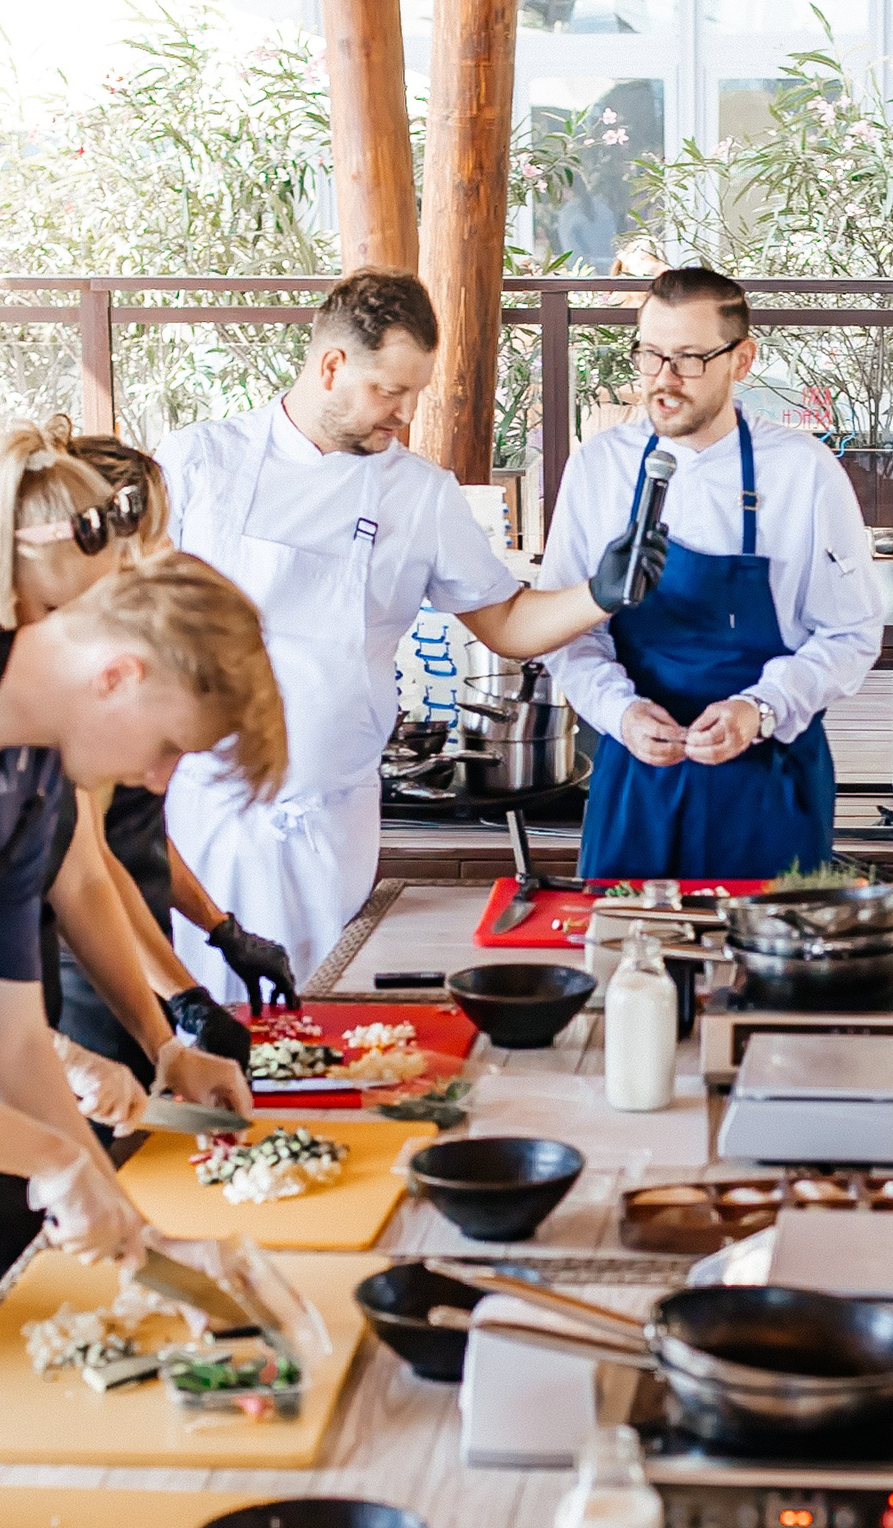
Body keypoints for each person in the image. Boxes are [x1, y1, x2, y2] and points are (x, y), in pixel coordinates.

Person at [158, 266, 648, 997]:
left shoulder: (420, 494)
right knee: (207, 1043)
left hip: (333, 824)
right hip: (207, 819)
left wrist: (600, 594)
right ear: (331, 366)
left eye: (415, 391)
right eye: (390, 391)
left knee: (330, 1027)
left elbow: (508, 623)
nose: (405, 414)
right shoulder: (201, 462)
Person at [0, 422, 253, 1312]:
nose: (154, 777)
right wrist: (66, 1085)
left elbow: (76, 879)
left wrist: (160, 1042)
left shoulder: (22, 747)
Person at [540, 266, 886, 880]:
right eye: (650, 354)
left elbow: (850, 633)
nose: (663, 381)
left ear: (741, 359)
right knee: (627, 964)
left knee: (774, 966)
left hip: (768, 775)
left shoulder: (802, 471)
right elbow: (566, 629)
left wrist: (761, 708)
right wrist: (620, 712)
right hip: (638, 771)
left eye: (689, 359)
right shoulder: (598, 469)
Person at [59, 434, 276, 1061]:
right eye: (158, 535)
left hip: (139, 944)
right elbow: (90, 866)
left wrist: (220, 929)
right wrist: (184, 999)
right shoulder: (83, 690)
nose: (171, 551)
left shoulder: (122, 662)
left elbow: (137, 838)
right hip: (85, 967)